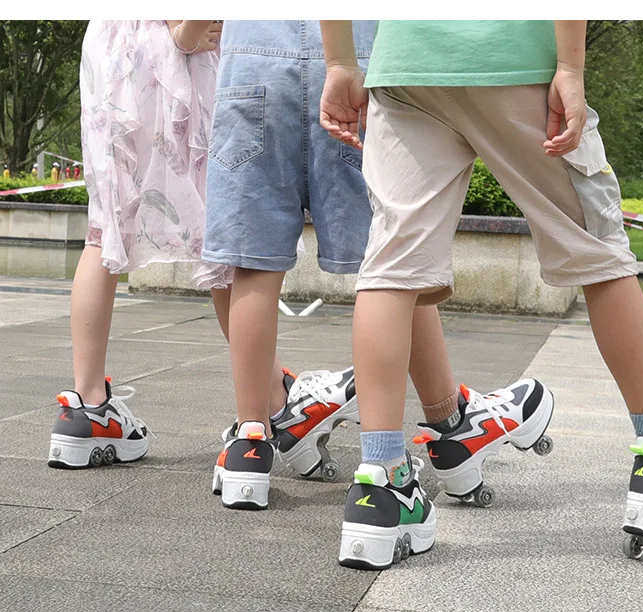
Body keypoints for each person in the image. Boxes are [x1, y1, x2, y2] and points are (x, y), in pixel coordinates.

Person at [319, 20, 643, 568]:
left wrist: (340, 63)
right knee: (600, 252)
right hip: (515, 53)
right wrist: (570, 67)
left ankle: (380, 483)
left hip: (407, 65)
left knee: (390, 268)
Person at [202, 20, 553, 513]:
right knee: (394, 258)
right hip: (355, 55)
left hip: (254, 58)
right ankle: (452, 424)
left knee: (253, 263)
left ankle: (251, 441)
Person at [48, 20, 230, 470]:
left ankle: (87, 404)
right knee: (222, 228)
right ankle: (273, 402)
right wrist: (189, 29)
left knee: (102, 228)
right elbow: (183, 32)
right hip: (161, 54)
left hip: (108, 49)